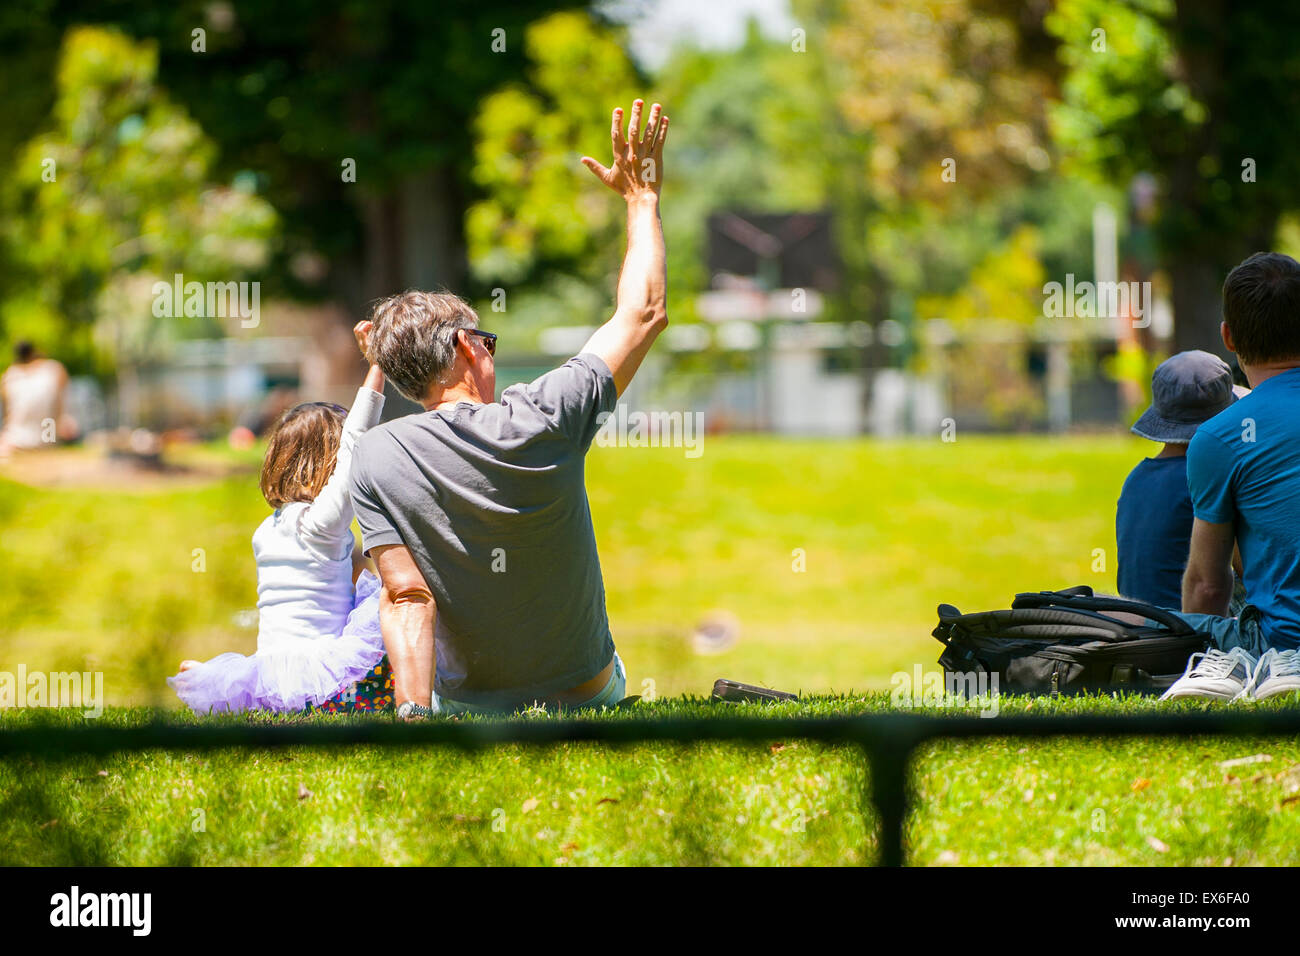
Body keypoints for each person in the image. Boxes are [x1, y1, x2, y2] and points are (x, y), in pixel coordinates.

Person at [348, 98, 669, 718]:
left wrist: (415, 717)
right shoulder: (546, 413)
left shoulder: (376, 455)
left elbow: (407, 597)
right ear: (468, 347)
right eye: (486, 342)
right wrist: (641, 199)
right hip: (587, 697)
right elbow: (643, 314)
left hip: (473, 711)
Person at [167, 322, 392, 713]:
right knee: (398, 604)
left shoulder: (266, 531)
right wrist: (377, 364)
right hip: (325, 680)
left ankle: (213, 678)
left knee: (369, 588)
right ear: (329, 463)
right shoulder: (323, 524)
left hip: (272, 675)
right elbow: (356, 440)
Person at [1161, 252, 1300, 701]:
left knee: (1140, 620)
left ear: (1228, 337)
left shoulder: (1220, 438)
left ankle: (1231, 671)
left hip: (1282, 642)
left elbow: (1207, 584)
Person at [1116, 350, 1247, 608]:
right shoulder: (1207, 477)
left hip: (1140, 624)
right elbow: (1251, 571)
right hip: (1185, 628)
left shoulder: (1136, 478)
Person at [0, 341, 76, 455]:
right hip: (48, 439)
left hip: (16, 441)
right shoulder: (54, 368)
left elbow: (7, 414)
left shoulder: (9, 376)